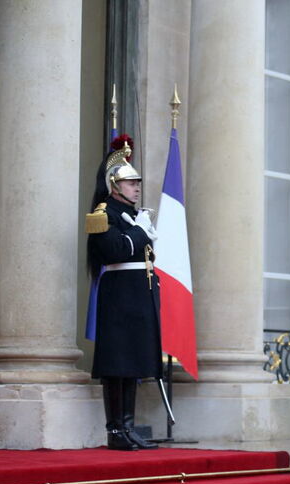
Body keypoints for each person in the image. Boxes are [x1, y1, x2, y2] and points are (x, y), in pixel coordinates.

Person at [85, 135, 161, 450]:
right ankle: (115, 431)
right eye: (130, 182)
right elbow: (115, 250)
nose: (137, 186)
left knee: (133, 362)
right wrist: (140, 230)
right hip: (118, 295)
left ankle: (128, 427)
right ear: (115, 185)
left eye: (137, 182)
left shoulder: (132, 214)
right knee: (117, 363)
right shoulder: (104, 214)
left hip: (137, 293)